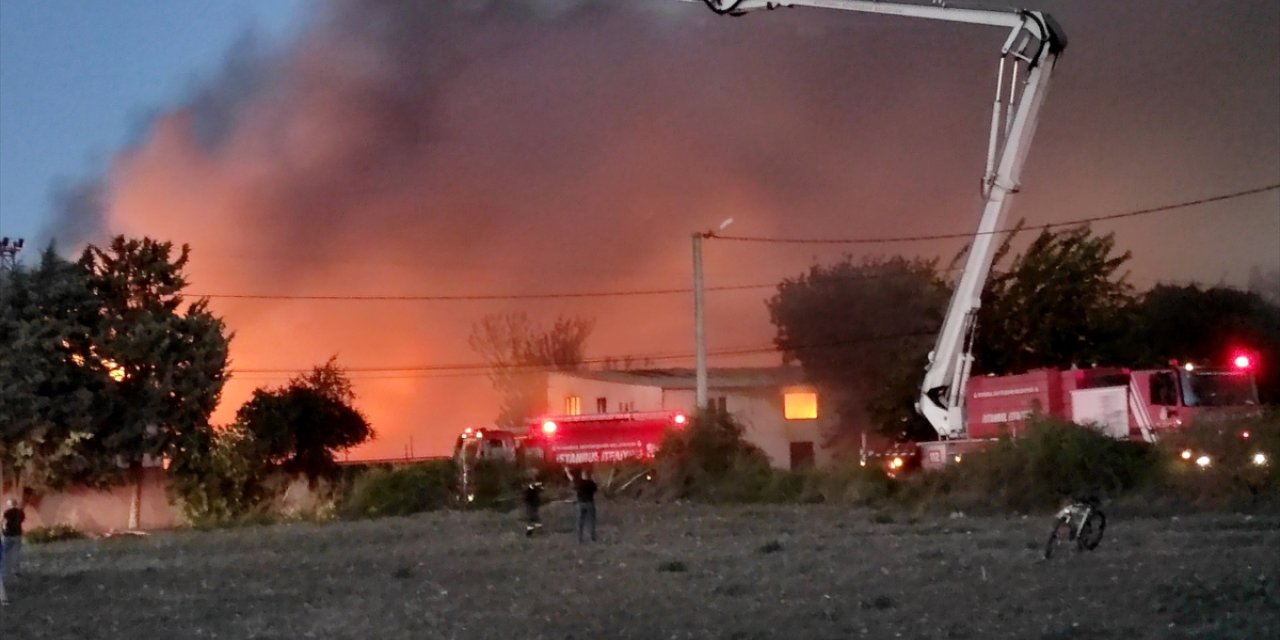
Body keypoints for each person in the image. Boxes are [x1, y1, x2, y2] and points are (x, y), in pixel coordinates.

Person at [572, 467, 598, 543]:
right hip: (590, 503)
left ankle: (579, 538)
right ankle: (592, 537)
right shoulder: (591, 483)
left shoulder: (579, 483)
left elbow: (573, 483)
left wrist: (567, 472)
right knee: (591, 521)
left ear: (583, 475)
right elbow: (596, 489)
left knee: (580, 522)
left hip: (580, 504)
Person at [2, 499, 23, 578]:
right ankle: (16, 571)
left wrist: (3, 528)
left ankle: (6, 571)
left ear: (9, 504)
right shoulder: (20, 512)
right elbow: (21, 520)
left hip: (8, 535)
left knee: (6, 554)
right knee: (16, 553)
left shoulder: (7, 512)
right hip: (17, 534)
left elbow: (3, 521)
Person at [522, 472, 544, 538]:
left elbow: (531, 490)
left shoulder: (534, 486)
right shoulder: (534, 486)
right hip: (532, 502)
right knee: (533, 516)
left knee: (532, 516)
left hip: (532, 502)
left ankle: (532, 530)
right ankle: (534, 529)